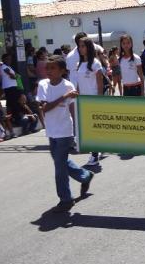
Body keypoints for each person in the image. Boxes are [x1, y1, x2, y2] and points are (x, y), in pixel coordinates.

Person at [37, 55, 94, 213]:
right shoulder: (43, 85)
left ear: (62, 71)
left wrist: (78, 130)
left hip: (64, 131)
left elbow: (72, 109)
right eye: (47, 68)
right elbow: (45, 108)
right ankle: (84, 176)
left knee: (59, 167)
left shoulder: (68, 85)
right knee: (60, 161)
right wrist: (64, 97)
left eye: (53, 68)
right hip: (51, 131)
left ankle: (65, 199)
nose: (49, 71)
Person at [73, 37, 104, 167]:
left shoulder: (96, 64)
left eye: (83, 46)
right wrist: (78, 97)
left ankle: (94, 155)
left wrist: (99, 100)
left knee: (92, 129)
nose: (80, 49)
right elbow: (79, 84)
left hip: (93, 100)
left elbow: (100, 84)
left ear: (89, 48)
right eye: (79, 46)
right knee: (88, 129)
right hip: (83, 101)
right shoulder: (79, 64)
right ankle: (98, 149)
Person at [0, 53, 21, 122]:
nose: (9, 60)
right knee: (12, 104)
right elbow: (13, 76)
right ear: (3, 60)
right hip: (9, 88)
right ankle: (16, 119)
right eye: (7, 59)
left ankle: (14, 119)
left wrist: (16, 76)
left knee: (13, 103)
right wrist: (17, 76)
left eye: (10, 59)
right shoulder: (3, 67)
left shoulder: (9, 67)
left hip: (13, 87)